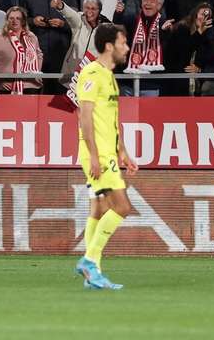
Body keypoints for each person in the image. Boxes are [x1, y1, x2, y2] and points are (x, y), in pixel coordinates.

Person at [75, 23, 137, 290]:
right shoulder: (91, 73)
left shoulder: (108, 75)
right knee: (122, 207)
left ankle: (93, 275)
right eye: (123, 43)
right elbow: (85, 117)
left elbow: (111, 118)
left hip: (107, 151)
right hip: (98, 153)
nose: (127, 48)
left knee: (99, 210)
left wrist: (123, 150)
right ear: (109, 46)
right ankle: (89, 261)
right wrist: (94, 155)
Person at [0, 6, 44, 94]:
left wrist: (36, 72)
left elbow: (39, 55)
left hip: (31, 86)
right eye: (11, 18)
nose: (14, 21)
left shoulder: (31, 37)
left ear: (23, 21)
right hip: (6, 87)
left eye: (18, 18)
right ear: (7, 20)